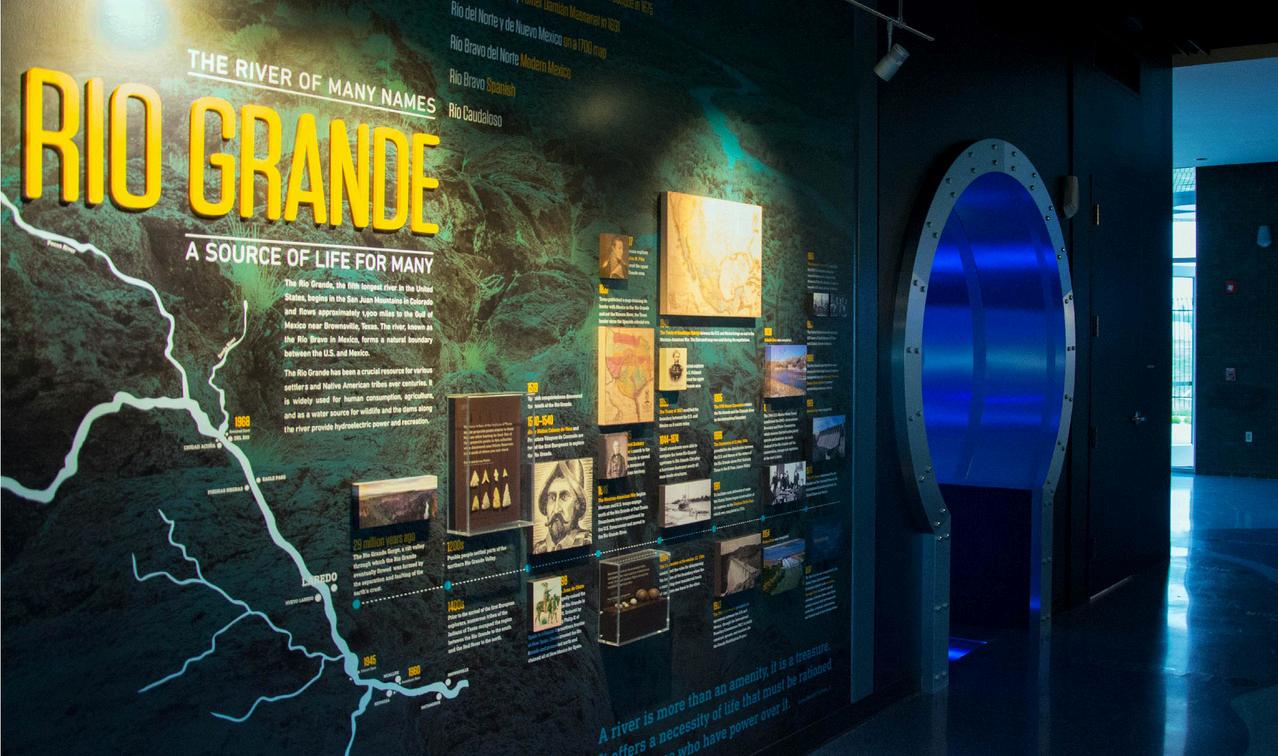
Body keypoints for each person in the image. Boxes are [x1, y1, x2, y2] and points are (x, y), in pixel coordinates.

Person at [533, 459, 592, 553]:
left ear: (577, 504)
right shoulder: (538, 549)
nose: (556, 509)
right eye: (552, 498)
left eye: (564, 497)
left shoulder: (587, 542)